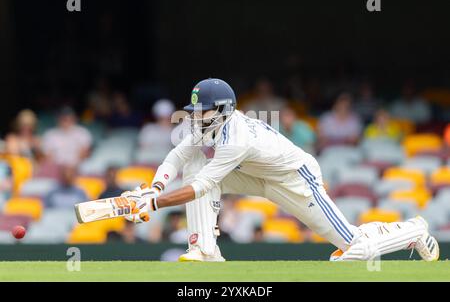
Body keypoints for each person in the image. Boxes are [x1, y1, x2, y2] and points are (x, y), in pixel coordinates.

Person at [120, 78, 439, 262]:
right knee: (193, 161)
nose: (196, 115)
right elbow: (176, 156)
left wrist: (155, 205)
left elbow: (203, 186)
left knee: (353, 250)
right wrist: (155, 189)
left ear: (222, 110)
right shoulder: (209, 126)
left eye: (202, 110)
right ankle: (204, 248)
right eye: (195, 110)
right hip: (257, 176)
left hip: (295, 179)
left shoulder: (236, 138)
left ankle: (413, 230)